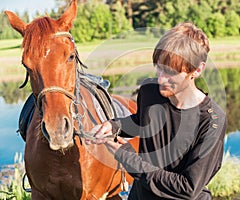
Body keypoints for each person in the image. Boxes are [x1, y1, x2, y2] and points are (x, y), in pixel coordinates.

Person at [85, 22, 227, 200]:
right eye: (159, 68)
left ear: (197, 70)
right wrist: (114, 126)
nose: (161, 79)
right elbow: (141, 121)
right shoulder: (149, 91)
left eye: (170, 72)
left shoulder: (212, 121)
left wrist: (128, 158)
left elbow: (187, 188)